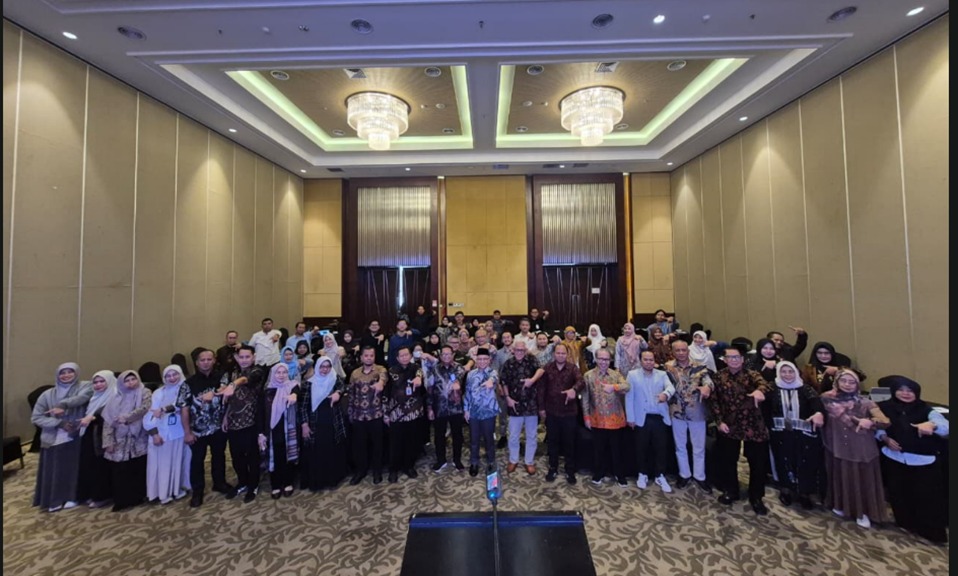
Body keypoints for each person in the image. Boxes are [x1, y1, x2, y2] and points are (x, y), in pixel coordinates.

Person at [875, 375, 949, 543]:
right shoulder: (884, 407)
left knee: (926, 496)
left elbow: (945, 427)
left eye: (910, 391)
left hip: (921, 460)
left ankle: (930, 532)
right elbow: (877, 427)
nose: (905, 394)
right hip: (894, 458)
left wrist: (932, 425)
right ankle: (905, 523)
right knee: (899, 493)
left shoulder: (925, 409)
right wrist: (884, 438)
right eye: (901, 390)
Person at [820, 368, 889, 529]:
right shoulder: (826, 398)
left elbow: (885, 421)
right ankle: (841, 505)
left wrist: (871, 422)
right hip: (836, 445)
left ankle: (862, 512)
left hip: (860, 448)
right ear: (837, 382)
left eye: (852, 382)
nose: (847, 385)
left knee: (860, 480)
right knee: (840, 476)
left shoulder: (864, 402)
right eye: (843, 381)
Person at [710, 345, 771, 515]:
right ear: (725, 360)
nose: (734, 360)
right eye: (730, 357)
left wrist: (759, 391)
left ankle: (756, 497)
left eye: (737, 357)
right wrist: (719, 421)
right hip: (729, 423)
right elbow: (714, 401)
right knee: (728, 460)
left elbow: (764, 385)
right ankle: (731, 491)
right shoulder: (718, 377)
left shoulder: (752, 374)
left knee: (757, 463)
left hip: (753, 424)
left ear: (742, 359)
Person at [761, 361, 824, 510]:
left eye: (790, 372)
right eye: (783, 372)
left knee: (804, 462)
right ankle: (786, 490)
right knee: (783, 460)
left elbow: (816, 404)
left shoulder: (805, 388)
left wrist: (818, 413)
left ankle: (804, 493)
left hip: (803, 432)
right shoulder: (772, 388)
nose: (787, 375)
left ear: (796, 373)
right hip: (779, 432)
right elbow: (764, 407)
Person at [32, 363, 94, 512]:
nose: (66, 375)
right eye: (62, 373)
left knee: (73, 469)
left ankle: (73, 496)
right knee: (55, 469)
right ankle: (54, 499)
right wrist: (59, 423)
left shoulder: (85, 386)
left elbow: (81, 398)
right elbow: (36, 417)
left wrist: (62, 405)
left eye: (70, 372)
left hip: (76, 435)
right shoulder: (47, 394)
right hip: (53, 437)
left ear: (76, 373)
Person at [182, 349, 232, 508]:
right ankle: (198, 490)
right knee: (197, 460)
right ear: (197, 363)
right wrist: (187, 432)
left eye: (209, 359)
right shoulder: (189, 383)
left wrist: (214, 393)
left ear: (214, 360)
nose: (206, 362)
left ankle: (219, 483)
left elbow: (226, 392)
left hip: (218, 426)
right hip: (197, 429)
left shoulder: (222, 377)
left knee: (219, 456)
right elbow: (184, 409)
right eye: (202, 360)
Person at [663, 339, 714, 493]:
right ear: (673, 352)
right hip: (676, 411)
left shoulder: (699, 366)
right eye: (677, 350)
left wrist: (707, 387)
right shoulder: (667, 367)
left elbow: (708, 382)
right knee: (680, 446)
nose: (681, 353)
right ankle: (684, 474)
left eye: (683, 350)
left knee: (699, 447)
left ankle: (700, 476)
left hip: (696, 411)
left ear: (688, 350)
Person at [220, 344, 267, 503]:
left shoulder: (257, 371)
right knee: (236, 456)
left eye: (248, 357)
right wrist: (225, 416)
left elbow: (247, 379)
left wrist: (233, 384)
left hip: (251, 422)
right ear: (236, 358)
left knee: (252, 456)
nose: (244, 360)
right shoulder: (232, 373)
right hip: (233, 422)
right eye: (241, 357)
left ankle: (253, 485)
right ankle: (242, 482)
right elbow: (229, 398)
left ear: (253, 357)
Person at [102, 370, 152, 511]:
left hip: (139, 437)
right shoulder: (115, 397)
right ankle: (122, 500)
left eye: (133, 379)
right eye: (127, 380)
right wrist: (108, 441)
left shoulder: (145, 392)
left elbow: (145, 408)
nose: (131, 383)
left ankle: (138, 497)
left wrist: (127, 417)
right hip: (120, 439)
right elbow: (108, 421)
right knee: (120, 471)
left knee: (138, 468)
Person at [142, 365, 191, 505]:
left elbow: (179, 404)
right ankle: (162, 493)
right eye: (168, 376)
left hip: (180, 432)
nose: (172, 378)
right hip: (161, 433)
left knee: (179, 461)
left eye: (175, 374)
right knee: (162, 464)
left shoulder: (186, 389)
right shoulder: (159, 392)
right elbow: (151, 413)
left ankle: (178, 489)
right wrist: (154, 433)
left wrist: (164, 409)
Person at [625, 350, 673, 492]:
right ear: (641, 361)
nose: (648, 362)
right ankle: (642, 473)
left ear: (654, 361)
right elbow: (629, 397)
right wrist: (630, 417)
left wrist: (666, 394)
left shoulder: (662, 374)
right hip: (641, 417)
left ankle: (660, 475)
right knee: (641, 448)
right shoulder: (632, 375)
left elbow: (671, 387)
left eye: (651, 359)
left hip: (659, 417)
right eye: (645, 359)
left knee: (660, 448)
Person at [299, 357, 349, 491]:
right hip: (316, 423)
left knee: (332, 450)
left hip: (332, 421)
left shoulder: (334, 379)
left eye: (328, 366)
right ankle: (319, 482)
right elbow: (302, 407)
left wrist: (338, 392)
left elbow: (343, 386)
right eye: (322, 366)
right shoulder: (309, 384)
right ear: (317, 367)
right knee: (318, 452)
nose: (325, 369)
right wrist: (304, 424)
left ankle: (332, 480)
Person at [538, 343, 585, 484]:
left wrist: (574, 390)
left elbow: (581, 381)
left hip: (569, 412)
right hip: (551, 411)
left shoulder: (573, 368)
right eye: (558, 353)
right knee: (552, 442)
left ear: (567, 354)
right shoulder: (547, 368)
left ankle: (570, 469)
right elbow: (541, 388)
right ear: (554, 354)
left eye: (563, 353)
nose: (560, 355)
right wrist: (541, 408)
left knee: (569, 442)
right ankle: (553, 468)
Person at [583, 348, 630, 486]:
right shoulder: (588, 375)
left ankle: (619, 474)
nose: (603, 362)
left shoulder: (616, 375)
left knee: (617, 450)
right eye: (601, 359)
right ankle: (599, 473)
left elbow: (627, 386)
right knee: (599, 449)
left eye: (606, 359)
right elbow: (585, 398)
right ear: (596, 359)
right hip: (597, 418)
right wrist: (586, 417)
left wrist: (614, 387)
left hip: (615, 419)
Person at [500, 341, 544, 476]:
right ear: (513, 350)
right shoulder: (508, 363)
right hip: (515, 404)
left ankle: (529, 461)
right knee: (513, 435)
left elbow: (541, 370)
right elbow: (503, 382)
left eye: (522, 350)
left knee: (532, 435)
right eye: (517, 350)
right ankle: (513, 460)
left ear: (525, 350)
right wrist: (507, 398)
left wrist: (532, 380)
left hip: (531, 404)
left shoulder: (531, 360)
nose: (519, 352)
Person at [75, 370, 117, 509]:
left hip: (106, 435)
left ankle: (103, 496)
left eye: (102, 381)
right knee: (91, 465)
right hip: (92, 433)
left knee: (102, 467)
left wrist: (94, 417)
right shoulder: (95, 397)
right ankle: (94, 494)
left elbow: (110, 411)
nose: (98, 385)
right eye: (95, 382)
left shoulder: (116, 394)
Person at [347, 346, 388, 485]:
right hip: (358, 415)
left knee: (377, 445)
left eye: (371, 355)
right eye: (366, 355)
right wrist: (351, 412)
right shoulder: (355, 373)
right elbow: (351, 394)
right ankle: (361, 471)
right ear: (361, 357)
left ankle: (377, 471)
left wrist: (380, 383)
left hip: (375, 414)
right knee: (360, 445)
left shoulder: (380, 370)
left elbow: (384, 377)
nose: (369, 358)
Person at [384, 347, 426, 482]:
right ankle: (393, 469)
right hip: (396, 413)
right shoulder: (391, 371)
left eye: (406, 354)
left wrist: (418, 378)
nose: (404, 357)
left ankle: (409, 466)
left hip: (413, 412)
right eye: (401, 356)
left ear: (410, 355)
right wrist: (386, 413)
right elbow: (386, 393)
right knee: (395, 443)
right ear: (397, 358)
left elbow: (420, 373)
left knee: (411, 441)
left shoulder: (416, 368)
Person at [423, 345, 467, 472]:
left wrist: (456, 384)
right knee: (439, 436)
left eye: (449, 354)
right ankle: (441, 460)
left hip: (456, 408)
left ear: (453, 355)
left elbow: (459, 378)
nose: (446, 356)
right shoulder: (434, 369)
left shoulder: (459, 368)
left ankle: (457, 460)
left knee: (457, 435)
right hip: (439, 408)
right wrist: (429, 408)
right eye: (444, 354)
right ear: (440, 356)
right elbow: (430, 390)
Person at [261, 363, 300, 499]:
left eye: (284, 372)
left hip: (288, 428)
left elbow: (297, 392)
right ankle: (276, 485)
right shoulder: (267, 391)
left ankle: (288, 482)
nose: (281, 375)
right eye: (278, 372)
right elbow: (261, 413)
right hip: (272, 429)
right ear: (273, 374)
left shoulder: (292, 386)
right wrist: (261, 433)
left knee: (287, 455)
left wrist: (294, 395)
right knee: (275, 455)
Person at [464, 348, 500, 476]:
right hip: (474, 412)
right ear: (476, 360)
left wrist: (490, 381)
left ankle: (491, 461)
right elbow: (467, 392)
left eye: (485, 359)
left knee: (488, 438)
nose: (482, 361)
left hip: (488, 412)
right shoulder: (470, 374)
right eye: (480, 359)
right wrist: (466, 409)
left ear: (489, 360)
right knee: (474, 439)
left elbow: (494, 378)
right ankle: (474, 462)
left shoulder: (492, 372)